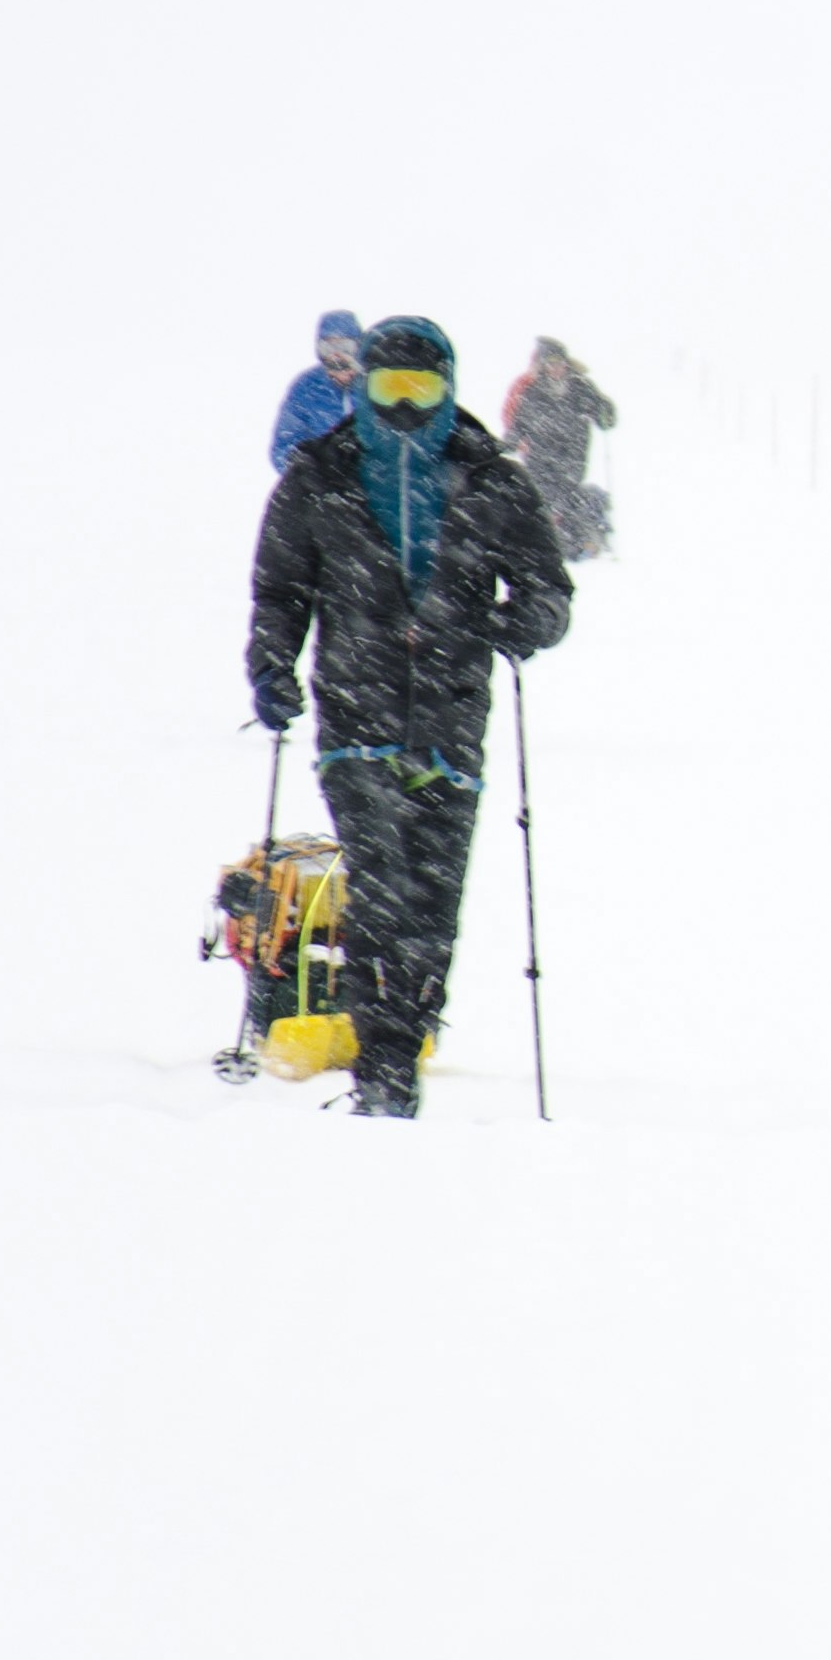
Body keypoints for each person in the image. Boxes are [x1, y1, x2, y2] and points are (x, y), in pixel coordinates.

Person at [245, 316, 573, 1118]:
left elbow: (547, 589)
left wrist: (515, 623)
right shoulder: (320, 477)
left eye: (419, 391)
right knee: (383, 887)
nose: (402, 407)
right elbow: (280, 588)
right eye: (388, 388)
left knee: (433, 903)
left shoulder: (491, 477)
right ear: (363, 390)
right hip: (356, 719)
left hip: (449, 722)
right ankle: (381, 1071)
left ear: (447, 389)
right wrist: (271, 667)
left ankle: (404, 1037)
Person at [495, 335, 619, 560]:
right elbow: (519, 425)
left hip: (572, 459)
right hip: (539, 461)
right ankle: (551, 546)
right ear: (542, 364)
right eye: (550, 362)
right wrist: (505, 445)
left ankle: (576, 543)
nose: (556, 367)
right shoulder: (532, 392)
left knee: (566, 501)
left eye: (559, 361)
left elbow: (604, 417)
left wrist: (605, 412)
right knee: (542, 503)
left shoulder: (580, 387)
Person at [268, 311, 365, 472]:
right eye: (328, 348)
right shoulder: (308, 387)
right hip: (325, 485)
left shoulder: (373, 384)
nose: (336, 356)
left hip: (370, 484)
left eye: (345, 348)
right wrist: (309, 468)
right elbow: (284, 446)